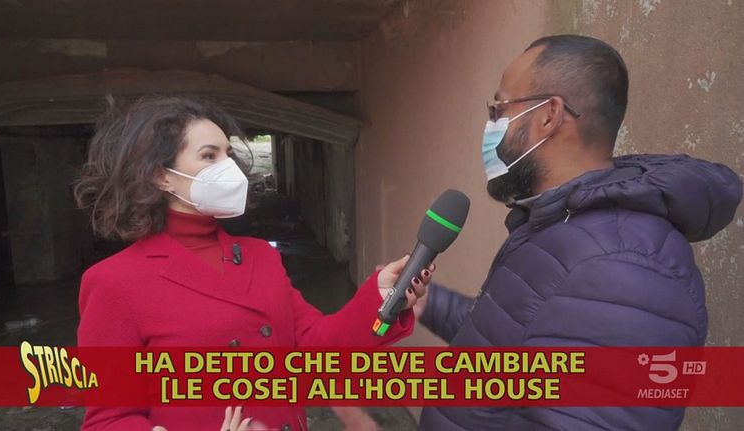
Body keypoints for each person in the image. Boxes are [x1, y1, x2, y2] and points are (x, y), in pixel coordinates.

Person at [417, 34, 742, 430]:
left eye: (499, 108)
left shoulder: (624, 267)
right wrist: (428, 304)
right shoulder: (561, 224)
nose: (491, 125)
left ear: (549, 115)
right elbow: (512, 343)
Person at [74, 96, 432, 431]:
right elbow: (108, 421)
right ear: (161, 175)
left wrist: (379, 299)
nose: (228, 167)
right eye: (209, 156)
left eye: (228, 154)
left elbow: (316, 346)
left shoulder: (261, 256)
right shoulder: (113, 282)